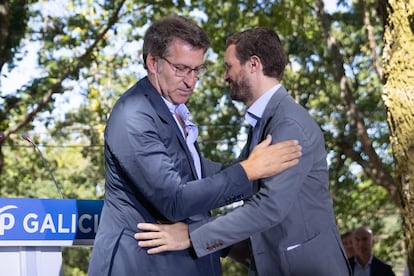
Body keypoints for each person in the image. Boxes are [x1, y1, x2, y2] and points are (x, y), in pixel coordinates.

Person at [88, 16, 302, 276]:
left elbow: (196, 171)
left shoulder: (172, 109)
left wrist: (263, 172)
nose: (191, 81)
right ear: (153, 62)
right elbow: (174, 200)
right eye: (181, 68)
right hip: (146, 266)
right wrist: (248, 171)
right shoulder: (133, 114)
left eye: (197, 70)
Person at [135, 27, 352, 276]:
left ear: (253, 65)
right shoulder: (267, 120)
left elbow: (268, 206)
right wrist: (180, 157)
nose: (224, 77)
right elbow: (241, 177)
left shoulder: (287, 124)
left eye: (229, 67)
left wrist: (190, 236)